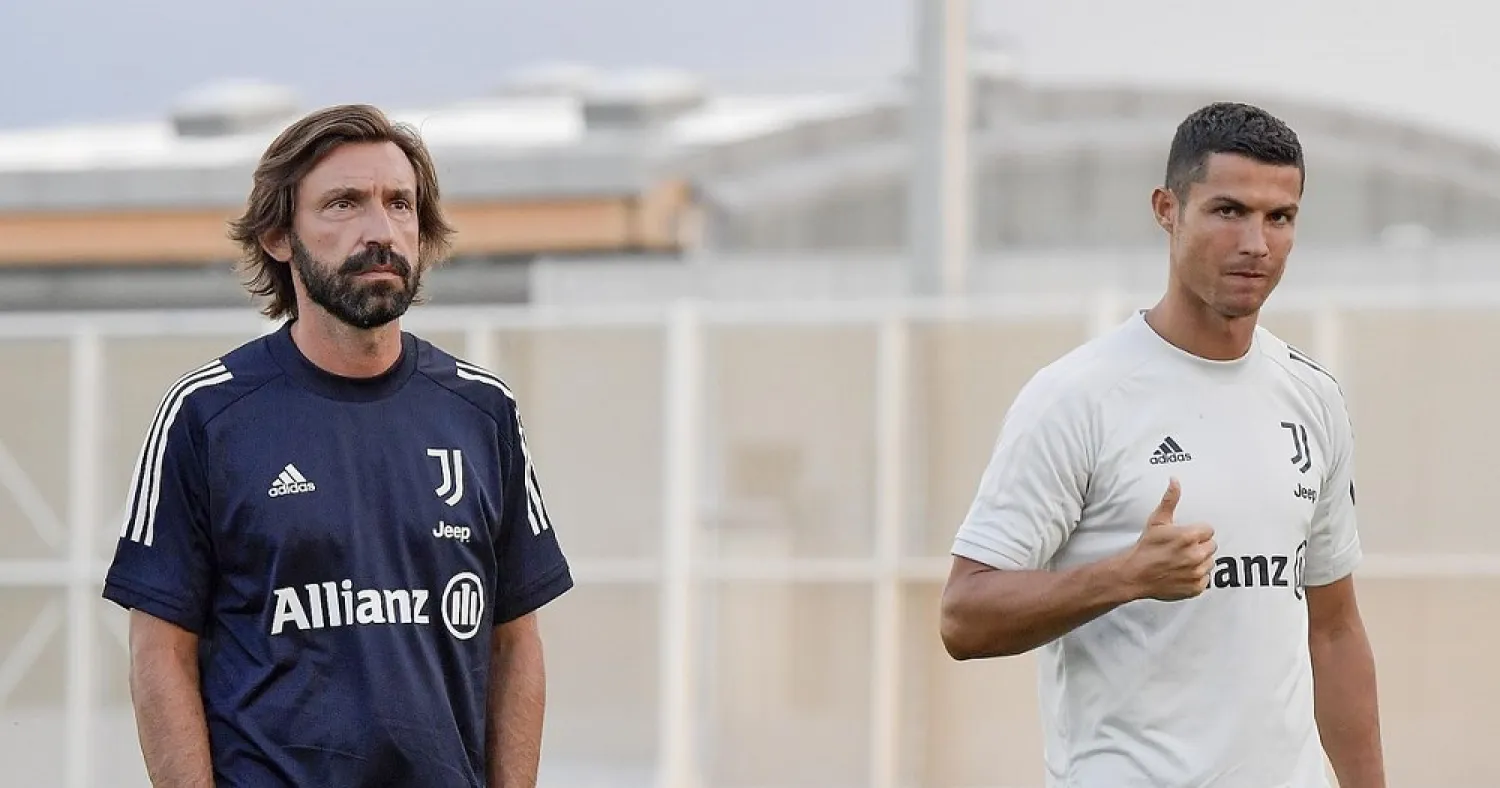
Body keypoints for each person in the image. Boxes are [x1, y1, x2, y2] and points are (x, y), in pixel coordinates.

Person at [102, 104, 573, 788]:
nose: (380, 230)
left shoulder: (482, 411)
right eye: (343, 204)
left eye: (399, 204)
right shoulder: (207, 416)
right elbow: (158, 654)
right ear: (278, 236)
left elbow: (515, 644)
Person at [939, 102, 1386, 788]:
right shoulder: (1077, 398)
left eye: (1280, 218)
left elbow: (1333, 631)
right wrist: (1126, 576)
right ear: (1166, 209)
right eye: (1228, 210)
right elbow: (963, 617)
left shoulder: (1313, 397)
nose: (1256, 244)